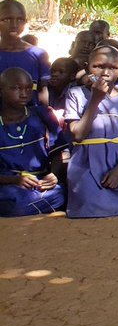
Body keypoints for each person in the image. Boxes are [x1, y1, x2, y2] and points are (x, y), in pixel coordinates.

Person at [64, 46, 118, 218]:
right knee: (89, 206)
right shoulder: (76, 94)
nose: (105, 72)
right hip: (87, 162)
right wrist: (95, 100)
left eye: (113, 68)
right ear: (87, 67)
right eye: (99, 66)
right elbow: (77, 135)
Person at [0, 68, 66, 216]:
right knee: (13, 200)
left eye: (29, 88)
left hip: (40, 182)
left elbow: (57, 153)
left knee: (61, 192)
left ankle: (27, 207)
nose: (24, 94)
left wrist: (53, 174)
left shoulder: (42, 114)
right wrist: (15, 180)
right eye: (16, 88)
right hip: (8, 184)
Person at [0, 0, 51, 107]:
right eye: (7, 19)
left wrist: (45, 113)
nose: (14, 25)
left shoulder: (39, 55)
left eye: (20, 20)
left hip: (28, 116)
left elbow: (43, 91)